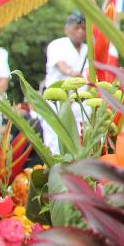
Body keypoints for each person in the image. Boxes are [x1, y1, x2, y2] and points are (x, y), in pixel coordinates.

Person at [43, 13, 88, 156]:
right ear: (67, 29)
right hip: (58, 100)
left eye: (83, 28)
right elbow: (61, 65)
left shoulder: (88, 50)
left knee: (82, 140)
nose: (80, 32)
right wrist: (71, 73)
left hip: (80, 102)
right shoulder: (57, 45)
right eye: (76, 28)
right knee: (55, 139)